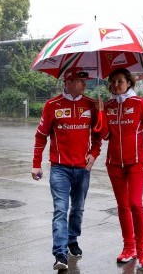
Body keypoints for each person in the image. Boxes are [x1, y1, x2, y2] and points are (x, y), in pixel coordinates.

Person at [31, 67, 102, 271]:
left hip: (83, 169)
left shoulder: (91, 104)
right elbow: (41, 135)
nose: (85, 84)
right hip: (60, 169)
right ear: (68, 82)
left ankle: (72, 240)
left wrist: (94, 153)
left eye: (85, 81)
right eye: (81, 81)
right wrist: (36, 164)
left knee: (78, 209)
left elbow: (98, 135)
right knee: (61, 210)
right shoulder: (52, 105)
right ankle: (60, 253)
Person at [97, 68, 143, 270]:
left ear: (129, 83)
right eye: (113, 82)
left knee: (135, 203)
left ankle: (142, 251)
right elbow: (105, 136)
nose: (116, 85)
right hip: (114, 163)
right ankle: (128, 248)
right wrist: (100, 113)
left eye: (120, 81)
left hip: (136, 163)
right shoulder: (107, 106)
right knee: (122, 207)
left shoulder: (139, 103)